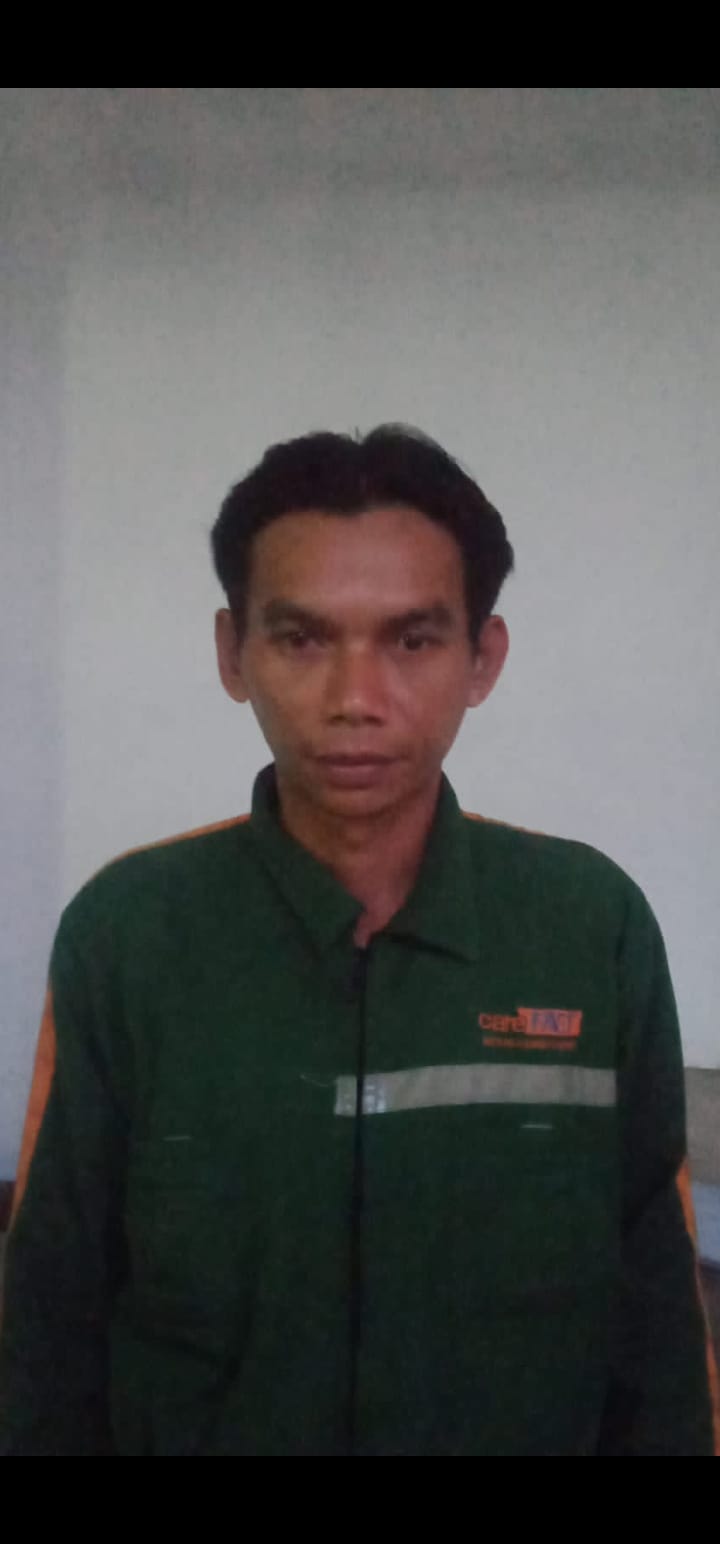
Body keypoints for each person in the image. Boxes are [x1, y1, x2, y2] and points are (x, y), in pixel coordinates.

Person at [0, 426, 717, 1456]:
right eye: (302, 639)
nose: (355, 700)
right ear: (231, 653)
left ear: (483, 658)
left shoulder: (589, 926)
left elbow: (659, 1316)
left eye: (411, 641)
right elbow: (49, 1319)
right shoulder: (129, 934)